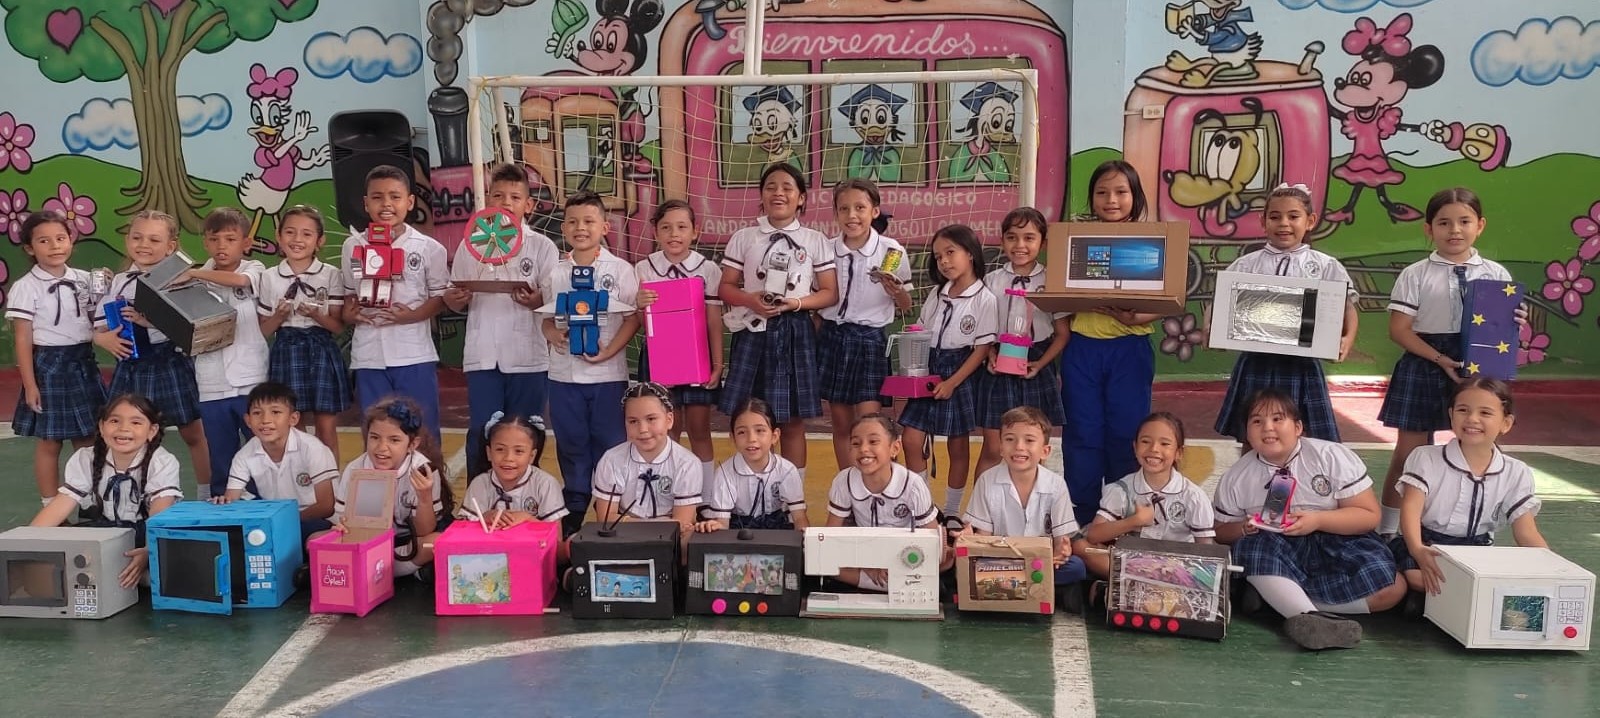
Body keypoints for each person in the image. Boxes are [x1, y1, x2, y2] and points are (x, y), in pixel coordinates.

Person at [1214, 389, 1406, 650]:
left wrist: (1317, 520)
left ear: (1298, 427)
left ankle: (1288, 606)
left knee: (1393, 589)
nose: (1267, 428)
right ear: (1247, 432)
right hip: (1276, 545)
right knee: (1250, 548)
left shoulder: (1331, 456)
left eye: (1278, 419)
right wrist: (1245, 528)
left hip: (1337, 540)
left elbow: (1369, 516)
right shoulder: (1237, 477)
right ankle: (1307, 617)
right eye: (1256, 421)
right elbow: (1220, 532)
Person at [1375, 187, 1517, 536]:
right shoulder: (1415, 274)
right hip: (1425, 360)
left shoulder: (1497, 274)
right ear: (1428, 229)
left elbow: (1505, 329)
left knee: (1480, 447)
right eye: (1444, 223)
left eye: (1464, 221)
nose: (1455, 230)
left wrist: (1517, 322)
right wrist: (1440, 359)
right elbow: (1400, 330)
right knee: (1408, 453)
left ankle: (1480, 526)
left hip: (1478, 366)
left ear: (1480, 225)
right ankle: (1389, 530)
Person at [1212, 184, 1358, 445]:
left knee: (1304, 434)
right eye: (1275, 216)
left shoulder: (1326, 266)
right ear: (1263, 221)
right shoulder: (1248, 264)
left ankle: (1297, 485)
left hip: (1301, 365)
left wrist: (1347, 337)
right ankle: (1254, 484)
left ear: (1310, 221)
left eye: (1293, 216)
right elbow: (1221, 302)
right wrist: (1211, 329)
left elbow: (1347, 306)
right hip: (1256, 361)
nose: (1284, 224)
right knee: (1254, 433)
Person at [1059, 161, 1164, 525]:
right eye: (1102, 192)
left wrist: (1136, 317)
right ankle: (1084, 521)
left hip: (1129, 351)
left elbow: (1166, 299)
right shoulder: (1074, 239)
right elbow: (1060, 291)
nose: (1111, 200)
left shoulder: (1152, 241)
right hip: (1082, 349)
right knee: (1083, 432)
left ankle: (1120, 518)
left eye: (1121, 192)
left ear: (1135, 197)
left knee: (1126, 432)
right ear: (1091, 198)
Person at [717, 163, 839, 473]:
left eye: (787, 187)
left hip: (796, 332)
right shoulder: (745, 237)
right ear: (761, 195)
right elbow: (726, 287)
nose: (778, 193)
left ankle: (791, 497)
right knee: (749, 416)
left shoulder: (815, 240)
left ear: (801, 198)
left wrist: (795, 304)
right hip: (753, 331)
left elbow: (829, 293)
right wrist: (750, 300)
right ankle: (750, 489)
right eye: (771, 187)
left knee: (792, 420)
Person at [444, 163, 560, 480]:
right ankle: (477, 501)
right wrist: (455, 301)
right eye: (498, 195)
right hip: (483, 356)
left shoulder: (542, 247)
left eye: (515, 196)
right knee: (483, 429)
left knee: (527, 432)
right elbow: (457, 294)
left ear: (529, 205)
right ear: (488, 201)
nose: (506, 202)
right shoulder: (471, 245)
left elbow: (551, 299)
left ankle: (527, 499)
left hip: (528, 358)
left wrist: (537, 300)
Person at [539, 190, 641, 535]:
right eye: (572, 221)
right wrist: (551, 332)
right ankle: (577, 505)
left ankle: (611, 508)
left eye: (588, 221)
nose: (580, 228)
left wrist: (610, 352)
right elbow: (546, 317)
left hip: (607, 376)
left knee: (610, 444)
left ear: (605, 227)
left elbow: (632, 318)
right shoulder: (555, 272)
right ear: (564, 228)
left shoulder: (622, 270)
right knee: (571, 443)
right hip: (564, 376)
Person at [1392, 378, 1545, 607]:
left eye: (1485, 413)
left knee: (1492, 579)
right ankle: (1445, 597)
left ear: (1506, 422)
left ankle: (1437, 601)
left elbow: (1526, 532)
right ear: (1451, 415)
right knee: (1417, 578)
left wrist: (1550, 565)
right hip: (1427, 544)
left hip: (1478, 550)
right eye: (1463, 410)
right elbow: (1410, 511)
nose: (1472, 419)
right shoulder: (1425, 457)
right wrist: (1417, 550)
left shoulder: (1516, 472)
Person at [94, 210, 211, 493]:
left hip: (170, 361)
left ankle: (208, 493)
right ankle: (131, 492)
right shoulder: (121, 280)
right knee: (133, 433)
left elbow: (194, 328)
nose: (143, 244)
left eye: (154, 239)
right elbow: (99, 325)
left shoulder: (183, 279)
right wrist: (103, 340)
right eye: (137, 237)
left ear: (170, 246)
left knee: (193, 432)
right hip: (133, 366)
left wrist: (154, 321)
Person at [340, 164, 449, 441]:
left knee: (422, 430)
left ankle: (429, 484)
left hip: (413, 355)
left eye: (395, 196)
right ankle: (382, 484)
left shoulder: (428, 248)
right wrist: (350, 314)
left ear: (410, 202)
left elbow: (441, 297)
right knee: (376, 433)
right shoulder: (353, 246)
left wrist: (411, 316)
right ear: (366, 203)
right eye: (377, 197)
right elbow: (350, 294)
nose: (386, 204)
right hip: (369, 356)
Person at [899, 224, 996, 532]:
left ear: (970, 253)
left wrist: (953, 382)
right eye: (938, 256)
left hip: (961, 370)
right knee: (911, 438)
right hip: (930, 368)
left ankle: (952, 512)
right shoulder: (935, 294)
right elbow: (923, 329)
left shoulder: (984, 298)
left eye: (951, 253)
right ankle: (924, 506)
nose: (944, 261)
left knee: (958, 445)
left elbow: (981, 350)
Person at [974, 207, 1069, 517]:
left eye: (1029, 238)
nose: (1020, 245)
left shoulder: (1053, 280)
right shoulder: (990, 280)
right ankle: (979, 515)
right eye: (1012, 237)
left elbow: (1062, 334)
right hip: (997, 365)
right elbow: (983, 327)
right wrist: (989, 354)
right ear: (1002, 241)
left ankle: (1039, 514)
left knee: (1032, 445)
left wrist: (1040, 366)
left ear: (1042, 242)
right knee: (992, 446)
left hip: (1036, 363)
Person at [6, 210, 105, 504]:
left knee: (88, 439)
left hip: (83, 362)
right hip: (49, 366)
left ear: (71, 240)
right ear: (29, 248)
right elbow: (23, 338)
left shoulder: (86, 280)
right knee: (50, 442)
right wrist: (31, 384)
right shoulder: (26, 287)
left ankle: (89, 503)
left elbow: (99, 317)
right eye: (44, 241)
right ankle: (51, 506)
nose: (55, 246)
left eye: (61, 238)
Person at [32, 394, 182, 589]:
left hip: (148, 534)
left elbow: (159, 514)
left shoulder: (163, 462)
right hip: (105, 532)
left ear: (152, 430)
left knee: (174, 559)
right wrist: (26, 540)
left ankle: (135, 575)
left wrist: (149, 551)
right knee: (58, 546)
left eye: (136, 422)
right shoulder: (86, 458)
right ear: (102, 427)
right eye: (114, 421)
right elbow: (62, 504)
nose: (124, 428)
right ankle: (128, 578)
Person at [817, 178, 912, 471]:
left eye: (860, 207)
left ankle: (877, 482)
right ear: (835, 213)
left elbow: (906, 306)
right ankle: (848, 486)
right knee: (841, 422)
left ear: (875, 211)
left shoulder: (890, 250)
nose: (852, 215)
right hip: (833, 337)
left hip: (870, 341)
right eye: (843, 208)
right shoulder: (826, 249)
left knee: (871, 424)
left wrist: (895, 290)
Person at [633, 199, 724, 485]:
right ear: (655, 232)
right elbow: (639, 321)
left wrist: (717, 364)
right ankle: (666, 490)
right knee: (664, 430)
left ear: (695, 231)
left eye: (682, 227)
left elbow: (713, 319)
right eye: (666, 227)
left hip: (697, 360)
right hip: (660, 361)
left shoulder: (707, 269)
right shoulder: (643, 269)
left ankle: (707, 497)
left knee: (699, 429)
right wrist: (638, 305)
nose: (674, 234)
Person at [181, 207, 269, 499]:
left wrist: (193, 272)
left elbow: (241, 283)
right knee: (220, 449)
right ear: (205, 243)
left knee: (258, 445)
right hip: (211, 381)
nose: (221, 246)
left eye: (230, 239)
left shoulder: (253, 270)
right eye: (214, 239)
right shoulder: (193, 283)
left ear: (245, 243)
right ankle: (223, 503)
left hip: (250, 378)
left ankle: (262, 502)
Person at [962, 406, 1085, 610]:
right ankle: (1041, 588)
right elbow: (983, 538)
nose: (1019, 447)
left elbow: (1061, 541)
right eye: (1010, 439)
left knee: (1076, 567)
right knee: (967, 567)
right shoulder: (987, 480)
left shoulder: (1056, 485)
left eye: (1029, 440)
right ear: (1000, 447)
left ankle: (1007, 590)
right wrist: (970, 539)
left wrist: (1061, 551)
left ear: (1045, 451)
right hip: (1000, 561)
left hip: (1040, 562)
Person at [319, 396, 452, 579]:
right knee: (314, 541)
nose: (382, 447)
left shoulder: (423, 470)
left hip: (407, 542)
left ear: (412, 444)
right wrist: (342, 527)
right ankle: (392, 571)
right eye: (374, 438)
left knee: (434, 543)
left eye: (394, 440)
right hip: (367, 541)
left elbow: (424, 531)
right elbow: (342, 523)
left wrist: (424, 498)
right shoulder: (356, 469)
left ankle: (371, 572)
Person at [255, 205, 348, 460]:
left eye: (307, 234)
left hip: (321, 351)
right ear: (279, 236)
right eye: (290, 232)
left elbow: (339, 327)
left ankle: (331, 487)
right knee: (291, 427)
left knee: (326, 428)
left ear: (319, 241)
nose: (297, 240)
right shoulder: (269, 276)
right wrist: (279, 316)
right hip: (286, 350)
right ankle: (298, 483)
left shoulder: (330, 274)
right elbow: (263, 330)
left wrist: (317, 315)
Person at [1075, 412, 1215, 582]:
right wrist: (1134, 521)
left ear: (1179, 452)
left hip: (1175, 570)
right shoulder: (1122, 489)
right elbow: (1094, 535)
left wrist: (1192, 574)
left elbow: (1206, 551)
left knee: (1208, 571)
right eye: (1145, 441)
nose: (1154, 449)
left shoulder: (1194, 496)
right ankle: (1135, 583)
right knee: (1081, 546)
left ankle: (1118, 587)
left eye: (1165, 444)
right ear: (1135, 447)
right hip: (1131, 563)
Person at [825, 414, 947, 590]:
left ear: (895, 448)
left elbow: (931, 542)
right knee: (824, 563)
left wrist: (898, 564)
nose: (864, 449)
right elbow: (831, 536)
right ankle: (900, 585)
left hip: (906, 555)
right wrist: (865, 564)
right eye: (856, 443)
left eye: (873, 442)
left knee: (942, 561)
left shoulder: (913, 485)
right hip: (864, 553)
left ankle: (888, 583)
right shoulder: (844, 481)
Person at [218, 382, 338, 542]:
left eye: (275, 412)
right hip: (273, 519)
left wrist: (283, 520)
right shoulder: (244, 454)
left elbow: (326, 506)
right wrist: (224, 503)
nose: (266, 420)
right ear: (247, 420)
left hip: (314, 519)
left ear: (293, 418)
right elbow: (232, 498)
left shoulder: (313, 448)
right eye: (257, 413)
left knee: (311, 538)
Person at [460, 412, 570, 563]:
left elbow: (556, 546)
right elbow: (461, 538)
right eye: (500, 449)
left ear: (532, 456)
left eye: (518, 451)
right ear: (489, 453)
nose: (508, 458)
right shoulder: (480, 484)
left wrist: (528, 519)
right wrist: (483, 518)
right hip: (489, 563)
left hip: (532, 562)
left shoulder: (546, 484)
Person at [699, 398, 808, 531]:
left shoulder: (787, 470)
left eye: (760, 431)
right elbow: (722, 523)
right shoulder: (724, 473)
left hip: (778, 532)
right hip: (738, 532)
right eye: (742, 432)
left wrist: (805, 544)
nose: (751, 439)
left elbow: (799, 518)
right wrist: (714, 526)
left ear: (774, 436)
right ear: (733, 438)